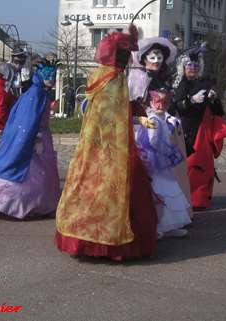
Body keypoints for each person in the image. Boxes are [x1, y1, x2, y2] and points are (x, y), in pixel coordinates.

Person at [55, 25, 158, 260]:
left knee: (88, 185)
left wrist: (137, 114)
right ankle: (113, 245)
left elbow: (118, 108)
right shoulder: (113, 78)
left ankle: (87, 241)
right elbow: (112, 114)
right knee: (117, 190)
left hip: (93, 146)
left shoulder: (100, 75)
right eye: (125, 56)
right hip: (111, 147)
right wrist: (137, 116)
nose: (127, 61)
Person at [0, 60, 61, 219]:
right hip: (34, 140)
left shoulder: (40, 93)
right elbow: (27, 121)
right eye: (49, 75)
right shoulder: (34, 95)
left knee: (42, 174)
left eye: (53, 76)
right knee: (30, 174)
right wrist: (29, 140)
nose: (52, 79)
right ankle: (21, 205)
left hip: (41, 138)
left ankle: (38, 204)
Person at [127, 36, 191, 211]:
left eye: (159, 57)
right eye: (152, 57)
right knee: (148, 174)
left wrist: (169, 116)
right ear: (144, 58)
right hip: (143, 131)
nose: (156, 61)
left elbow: (168, 102)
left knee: (167, 174)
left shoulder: (162, 79)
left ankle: (169, 216)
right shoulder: (137, 78)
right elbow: (133, 105)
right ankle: (150, 218)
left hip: (164, 128)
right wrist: (143, 119)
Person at [171, 44, 226, 211]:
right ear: (183, 67)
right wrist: (191, 100)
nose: (193, 68)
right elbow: (178, 107)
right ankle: (189, 198)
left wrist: (214, 99)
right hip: (189, 131)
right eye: (190, 65)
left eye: (196, 66)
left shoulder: (204, 83)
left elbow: (218, 111)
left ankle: (201, 197)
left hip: (204, 131)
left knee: (205, 166)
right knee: (191, 165)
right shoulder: (181, 84)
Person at [134, 87, 191, 239]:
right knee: (159, 191)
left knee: (168, 190)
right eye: (157, 102)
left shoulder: (161, 118)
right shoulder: (152, 119)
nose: (161, 105)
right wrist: (168, 151)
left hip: (161, 162)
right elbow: (153, 141)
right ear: (151, 102)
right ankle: (157, 226)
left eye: (165, 102)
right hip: (155, 161)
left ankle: (169, 225)